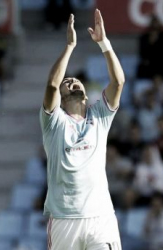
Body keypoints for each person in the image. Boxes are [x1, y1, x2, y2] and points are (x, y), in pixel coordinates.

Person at [39, 10, 125, 249]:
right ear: (62, 98)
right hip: (65, 219)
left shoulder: (100, 116)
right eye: (68, 82)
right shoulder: (53, 122)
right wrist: (69, 46)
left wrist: (104, 43)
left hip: (100, 217)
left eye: (76, 81)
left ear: (86, 96)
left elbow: (118, 82)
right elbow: (52, 85)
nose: (71, 81)